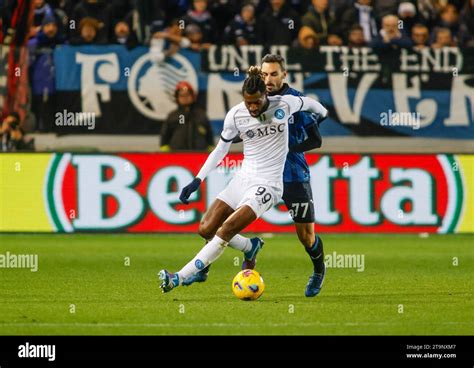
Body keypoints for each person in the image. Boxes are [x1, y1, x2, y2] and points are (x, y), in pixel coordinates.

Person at [158, 66, 327, 295]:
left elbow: (313, 105)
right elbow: (220, 150)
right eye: (249, 103)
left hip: (268, 185)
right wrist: (197, 179)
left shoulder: (285, 104)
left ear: (265, 96)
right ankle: (250, 246)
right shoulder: (236, 115)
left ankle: (177, 277)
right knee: (206, 228)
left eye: (257, 102)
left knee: (226, 229)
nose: (253, 107)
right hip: (242, 179)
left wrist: (322, 116)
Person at [259, 54, 326, 297]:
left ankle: (319, 270)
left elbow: (316, 140)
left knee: (306, 238)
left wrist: (286, 148)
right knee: (229, 216)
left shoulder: (296, 100)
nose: (268, 79)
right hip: (262, 175)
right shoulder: (255, 98)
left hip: (293, 176)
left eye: (273, 74)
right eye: (264, 74)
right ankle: (207, 266)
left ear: (284, 75)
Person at [160, 81, 214, 152]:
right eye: (181, 95)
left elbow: (209, 137)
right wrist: (167, 156)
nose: (185, 98)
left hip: (200, 157)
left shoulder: (201, 115)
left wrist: (210, 154)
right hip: (177, 157)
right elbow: (165, 138)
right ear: (177, 98)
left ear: (192, 96)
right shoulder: (173, 116)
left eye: (187, 95)